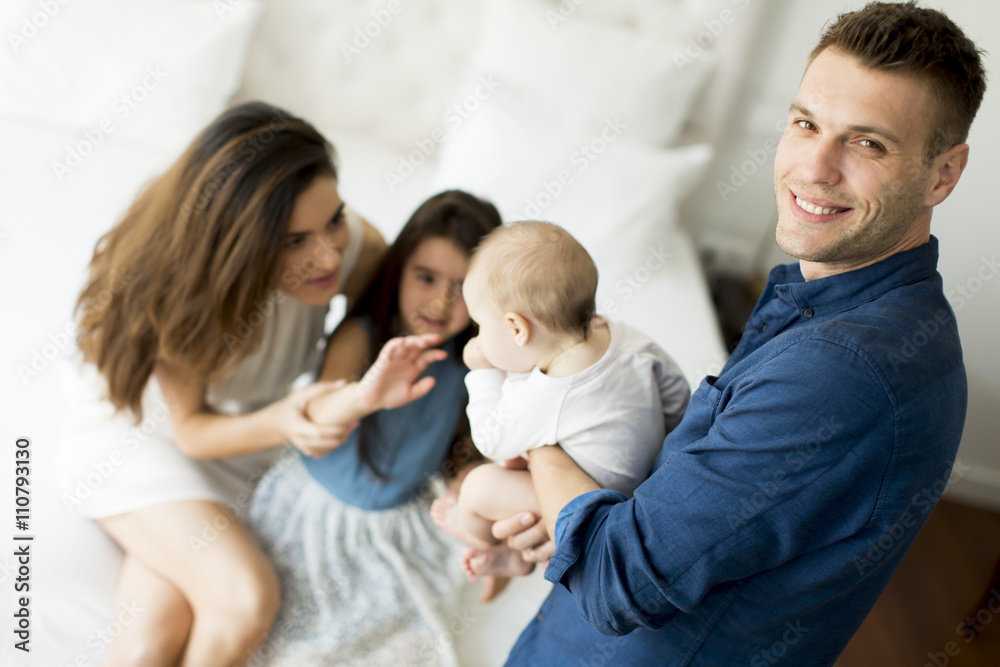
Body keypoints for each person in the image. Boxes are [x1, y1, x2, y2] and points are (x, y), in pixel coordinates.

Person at [493, 3, 987, 664]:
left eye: (868, 143)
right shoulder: (857, 308)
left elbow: (617, 579)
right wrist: (566, 519)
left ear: (943, 173)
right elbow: (711, 501)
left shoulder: (841, 370)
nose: (816, 166)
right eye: (806, 123)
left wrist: (542, 428)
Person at [55, 101, 388, 666]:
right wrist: (287, 419)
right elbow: (190, 433)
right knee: (243, 600)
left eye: (333, 219)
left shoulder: (352, 247)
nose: (328, 253)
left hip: (244, 447)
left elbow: (366, 325)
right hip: (140, 437)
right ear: (237, 242)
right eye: (293, 242)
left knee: (150, 643)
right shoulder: (176, 290)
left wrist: (331, 393)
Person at [247, 190, 502, 666]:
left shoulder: (465, 365)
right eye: (425, 277)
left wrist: (483, 511)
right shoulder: (361, 335)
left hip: (394, 524)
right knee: (293, 643)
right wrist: (366, 395)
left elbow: (457, 449)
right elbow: (316, 412)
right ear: (399, 268)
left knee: (404, 647)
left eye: (461, 288)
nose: (440, 301)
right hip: (317, 515)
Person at [430, 221, 690, 582]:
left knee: (479, 485)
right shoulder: (618, 334)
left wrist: (482, 373)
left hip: (594, 507)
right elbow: (676, 394)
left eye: (480, 326)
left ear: (517, 329)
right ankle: (513, 557)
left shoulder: (549, 392)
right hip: (641, 481)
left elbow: (489, 437)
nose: (477, 337)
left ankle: (488, 540)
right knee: (518, 455)